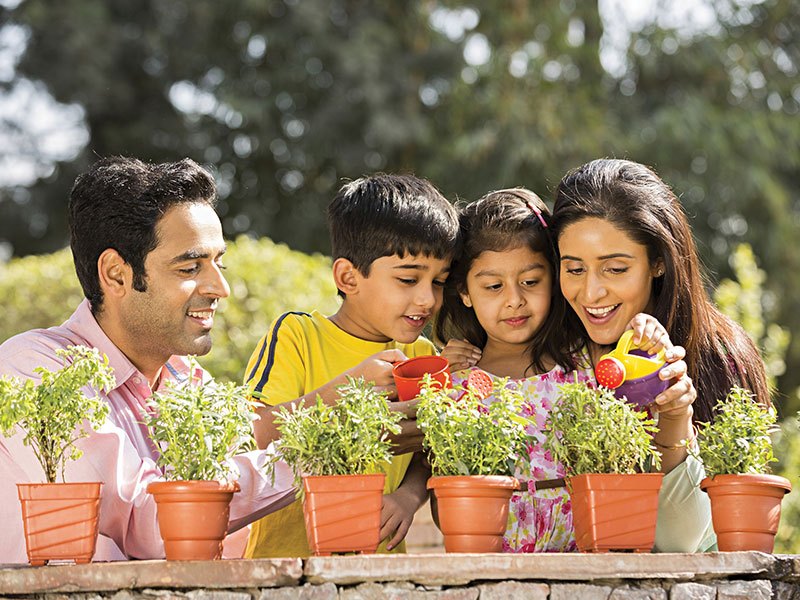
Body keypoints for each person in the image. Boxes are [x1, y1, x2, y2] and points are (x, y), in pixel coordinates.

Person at [0, 156, 296, 563]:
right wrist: (307, 455)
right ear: (116, 274)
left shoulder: (186, 381)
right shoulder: (36, 370)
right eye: (191, 267)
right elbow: (151, 521)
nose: (221, 288)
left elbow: (234, 504)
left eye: (219, 263)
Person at [437, 188, 691, 552]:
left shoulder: (588, 363)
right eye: (493, 286)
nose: (514, 299)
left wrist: (648, 338)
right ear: (464, 292)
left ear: (555, 279)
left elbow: (646, 450)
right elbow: (442, 502)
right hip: (491, 572)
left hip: (590, 566)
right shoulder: (455, 383)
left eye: (531, 281)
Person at [550, 158, 771, 552]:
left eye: (615, 269)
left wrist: (675, 417)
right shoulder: (559, 362)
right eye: (574, 269)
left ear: (657, 262)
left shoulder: (717, 357)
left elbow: (684, 542)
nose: (591, 293)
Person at [243, 173, 460, 558]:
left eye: (439, 282)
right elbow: (254, 433)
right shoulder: (297, 336)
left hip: (381, 573)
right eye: (408, 279)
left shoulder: (423, 356)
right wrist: (344, 391)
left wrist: (408, 498)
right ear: (348, 277)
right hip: (285, 571)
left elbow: (430, 448)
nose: (428, 299)